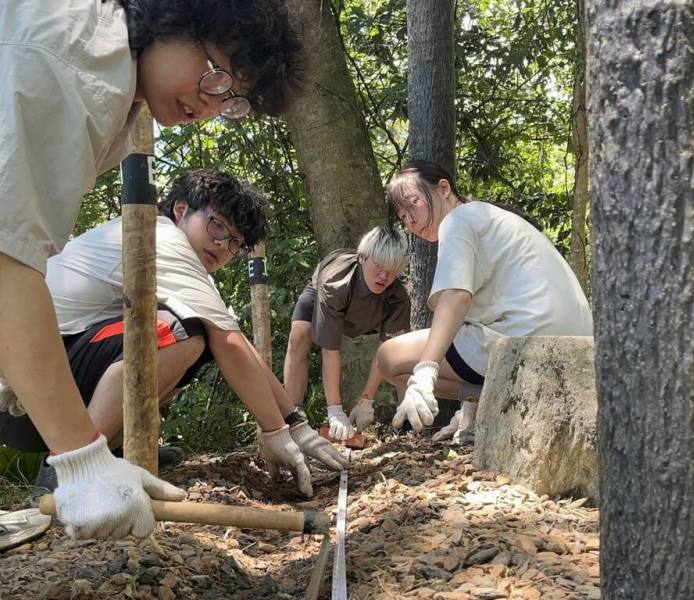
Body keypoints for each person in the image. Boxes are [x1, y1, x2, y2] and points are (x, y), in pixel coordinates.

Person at [0, 0, 301, 539]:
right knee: (184, 332)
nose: (210, 106)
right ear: (177, 17)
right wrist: (80, 462)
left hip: (31, 375)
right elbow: (3, 260)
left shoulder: (114, 91)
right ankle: (67, 470)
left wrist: (291, 424)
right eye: (216, 77)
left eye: (231, 100)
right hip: (22, 389)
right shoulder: (75, 60)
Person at [378, 160, 593, 442]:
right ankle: (481, 405)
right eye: (403, 217)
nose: (411, 221)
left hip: (527, 338)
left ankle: (488, 397)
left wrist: (425, 373)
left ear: (444, 188)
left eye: (414, 204)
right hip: (578, 342)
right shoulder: (487, 216)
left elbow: (457, 297)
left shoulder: (457, 220)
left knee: (389, 359)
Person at [283, 227, 410, 440]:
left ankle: (406, 422)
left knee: (402, 354)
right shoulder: (335, 283)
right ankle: (292, 414)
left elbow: (386, 350)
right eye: (378, 264)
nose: (384, 275)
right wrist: (335, 411)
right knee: (299, 334)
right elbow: (330, 349)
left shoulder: (399, 295)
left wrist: (366, 401)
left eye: (392, 269)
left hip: (371, 314)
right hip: (325, 291)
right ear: (362, 258)